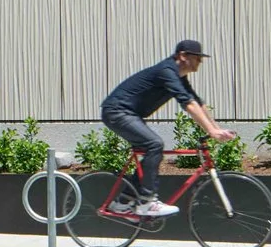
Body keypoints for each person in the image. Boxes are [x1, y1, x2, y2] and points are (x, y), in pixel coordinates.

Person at [99, 40, 234, 218]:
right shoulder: (166, 71)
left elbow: (198, 103)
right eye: (197, 58)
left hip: (129, 114)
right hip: (116, 112)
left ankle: (123, 202)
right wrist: (211, 131)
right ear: (182, 56)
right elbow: (188, 104)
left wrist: (217, 129)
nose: (200, 62)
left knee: (151, 150)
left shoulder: (179, 77)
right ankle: (147, 201)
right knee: (154, 144)